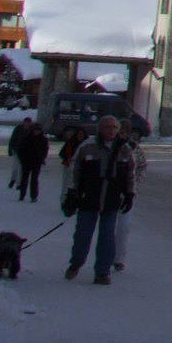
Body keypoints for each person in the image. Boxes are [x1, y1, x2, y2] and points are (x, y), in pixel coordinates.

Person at [61, 114, 135, 284]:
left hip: (111, 200)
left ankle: (102, 272)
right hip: (89, 198)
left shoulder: (124, 149)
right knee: (82, 235)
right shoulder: (88, 146)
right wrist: (72, 192)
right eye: (108, 127)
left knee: (107, 237)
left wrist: (130, 194)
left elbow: (130, 174)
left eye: (115, 127)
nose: (111, 131)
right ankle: (76, 263)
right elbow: (75, 170)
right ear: (100, 129)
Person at [112, 128, 149, 272]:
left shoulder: (135, 148)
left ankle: (119, 258)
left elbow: (142, 166)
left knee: (123, 226)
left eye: (124, 132)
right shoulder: (109, 147)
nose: (122, 135)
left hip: (128, 193)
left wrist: (135, 185)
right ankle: (107, 255)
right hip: (110, 192)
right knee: (108, 226)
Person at [13, 118, 49, 203]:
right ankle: (22, 195)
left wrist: (42, 159)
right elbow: (20, 150)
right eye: (35, 130)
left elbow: (45, 151)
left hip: (37, 163)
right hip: (26, 162)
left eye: (38, 131)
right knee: (24, 179)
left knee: (34, 180)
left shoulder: (43, 140)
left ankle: (33, 196)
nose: (36, 132)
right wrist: (22, 160)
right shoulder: (26, 139)